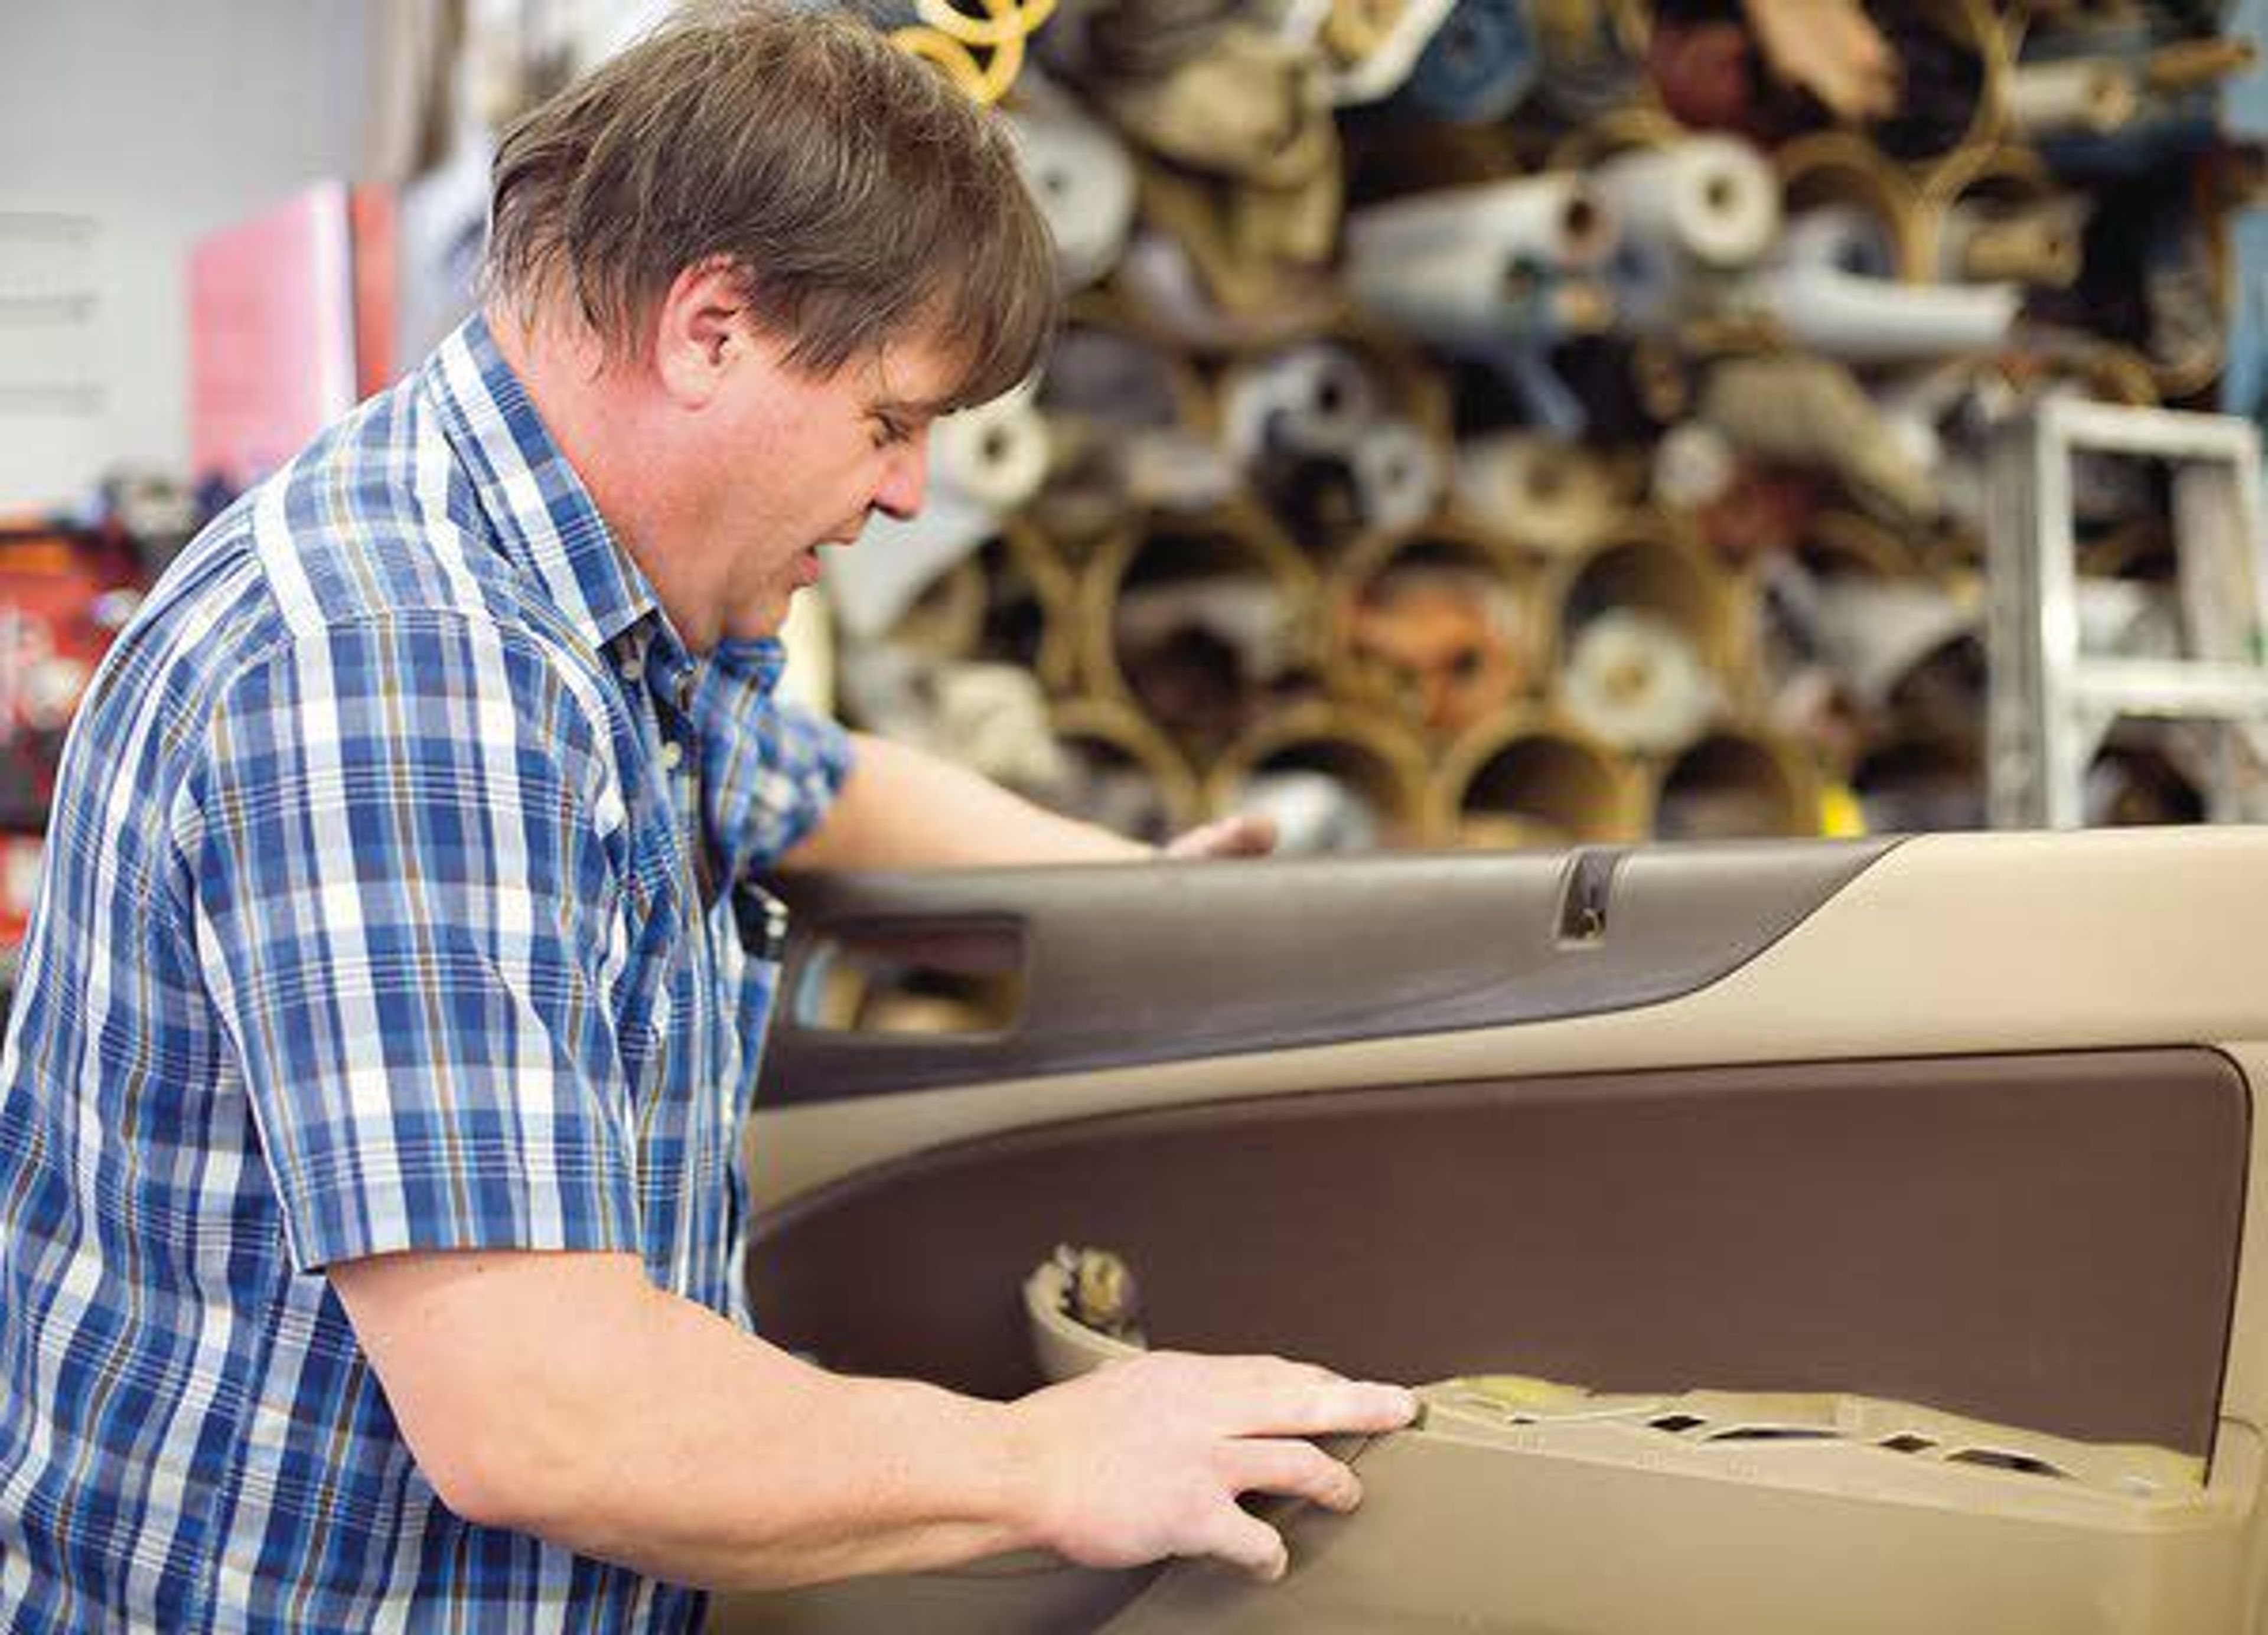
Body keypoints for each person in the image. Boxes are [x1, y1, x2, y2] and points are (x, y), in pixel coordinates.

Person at [0, 5, 1417, 1631]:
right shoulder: (402, 671)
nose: (905, 494)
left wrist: (1150, 904)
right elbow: (547, 1412)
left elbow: (816, 783)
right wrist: (1047, 1459)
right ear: (713, 327)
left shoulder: (593, 591)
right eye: (889, 419)